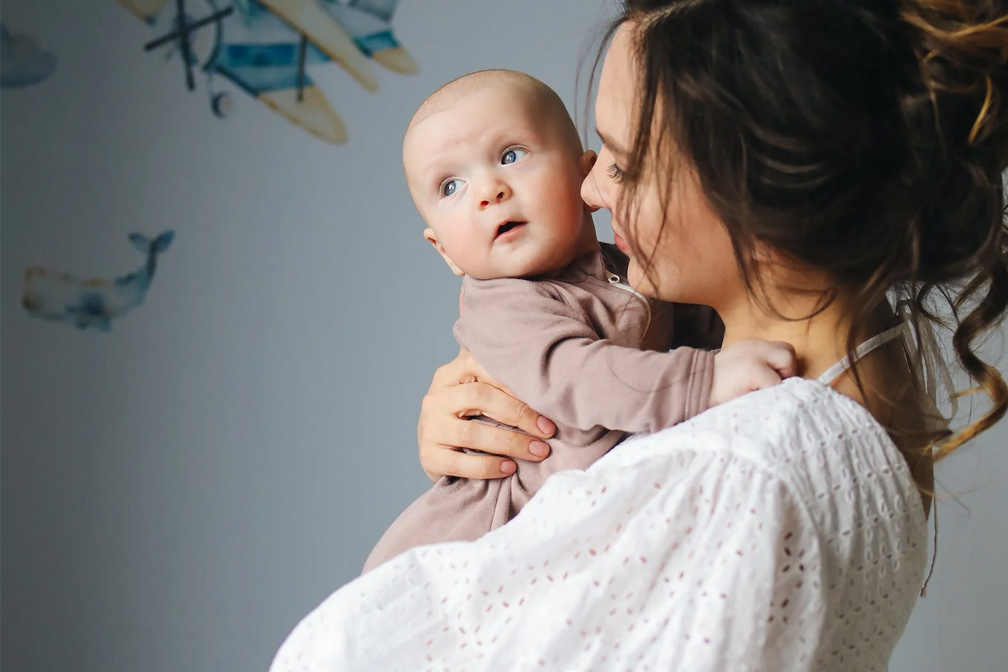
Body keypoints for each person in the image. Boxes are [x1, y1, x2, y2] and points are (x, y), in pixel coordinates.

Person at [268, 1, 1008, 669]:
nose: (591, 190)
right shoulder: (863, 383)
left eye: (622, 162)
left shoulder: (738, 472)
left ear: (750, 188)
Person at [362, 68, 798, 573]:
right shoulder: (504, 306)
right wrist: (709, 378)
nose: (488, 190)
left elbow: (700, 329)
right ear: (444, 251)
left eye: (511, 155)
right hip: (478, 543)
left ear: (584, 175)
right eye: (451, 185)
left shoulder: (629, 267)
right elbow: (583, 378)